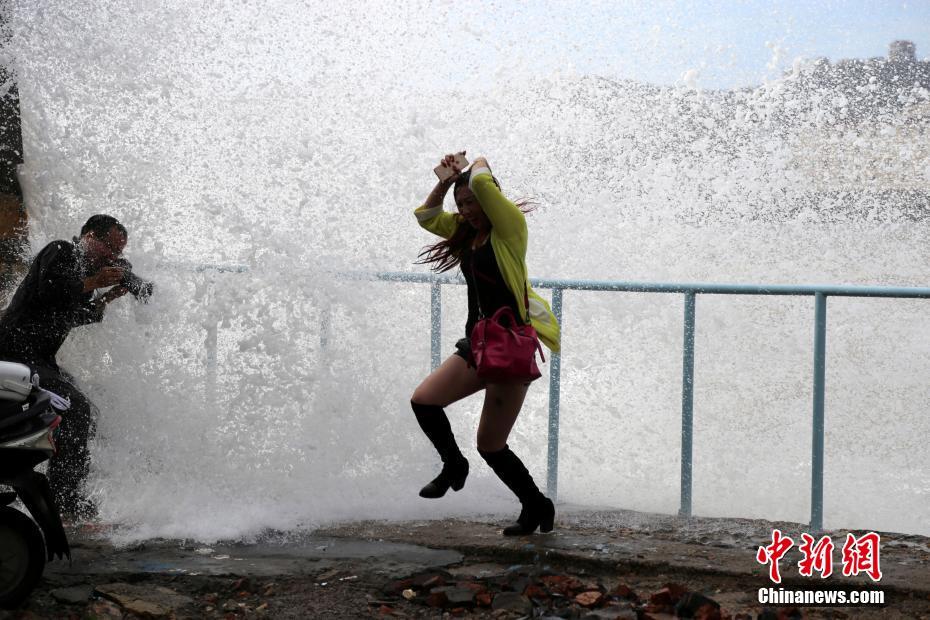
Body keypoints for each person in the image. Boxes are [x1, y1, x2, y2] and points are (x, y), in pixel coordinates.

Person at [411, 153, 561, 536]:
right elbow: (427, 217)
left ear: (489, 198)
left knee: (491, 445)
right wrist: (446, 182)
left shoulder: (509, 229)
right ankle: (452, 465)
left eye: (472, 203)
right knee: (424, 401)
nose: (467, 210)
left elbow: (480, 178)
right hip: (477, 346)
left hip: (510, 346)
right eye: (461, 206)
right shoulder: (466, 235)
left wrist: (473, 163)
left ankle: (536, 506)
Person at [0, 214, 132, 517]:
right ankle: (66, 502)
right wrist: (94, 282)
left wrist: (108, 296)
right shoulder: (60, 251)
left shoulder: (82, 274)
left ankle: (52, 488)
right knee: (76, 409)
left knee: (85, 411)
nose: (111, 257)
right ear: (87, 235)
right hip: (13, 356)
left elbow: (79, 314)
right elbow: (49, 290)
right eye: (107, 248)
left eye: (117, 253)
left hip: (39, 362)